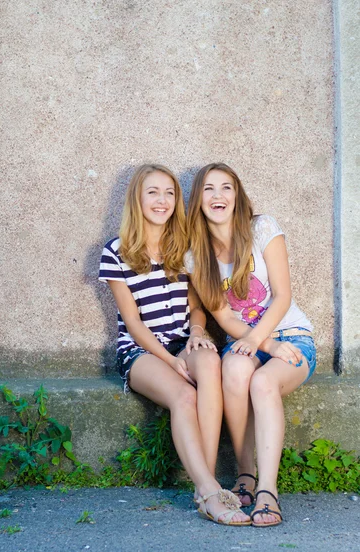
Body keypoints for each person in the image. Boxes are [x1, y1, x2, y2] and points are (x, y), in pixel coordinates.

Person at [98, 164, 250, 526]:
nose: (162, 200)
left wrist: (198, 333)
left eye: (169, 193)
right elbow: (132, 322)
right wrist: (168, 359)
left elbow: (197, 307)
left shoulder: (184, 247)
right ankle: (212, 494)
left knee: (210, 363)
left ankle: (204, 478)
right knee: (184, 396)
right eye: (153, 192)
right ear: (138, 198)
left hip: (184, 340)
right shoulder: (116, 252)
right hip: (142, 351)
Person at [186, 163, 316, 527]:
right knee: (235, 367)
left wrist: (267, 342)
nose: (218, 196)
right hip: (245, 344)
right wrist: (258, 344)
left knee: (262, 381)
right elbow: (225, 318)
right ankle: (246, 474)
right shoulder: (195, 256)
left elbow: (283, 295)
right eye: (209, 189)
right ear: (198, 200)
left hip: (291, 337)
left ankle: (267, 492)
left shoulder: (262, 229)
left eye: (226, 187)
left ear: (237, 195)